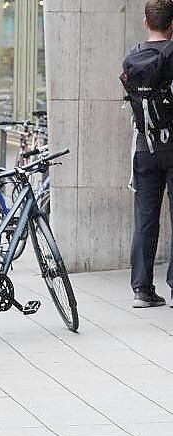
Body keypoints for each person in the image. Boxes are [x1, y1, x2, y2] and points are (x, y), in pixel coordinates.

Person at [125, 0, 173, 308]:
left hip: (144, 147)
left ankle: (142, 289)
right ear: (172, 25)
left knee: (145, 218)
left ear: (146, 22)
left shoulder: (133, 57)